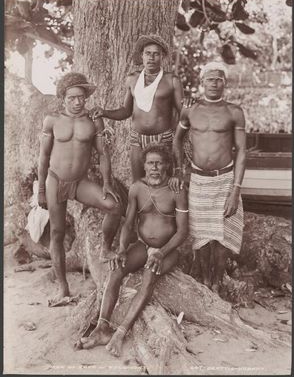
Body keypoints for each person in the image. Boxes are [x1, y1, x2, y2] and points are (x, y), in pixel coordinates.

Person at [78, 144, 188, 356]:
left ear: (166, 166)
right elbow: (128, 224)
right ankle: (102, 328)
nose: (154, 167)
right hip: (143, 245)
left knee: (149, 275)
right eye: (150, 163)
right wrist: (120, 248)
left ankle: (120, 333)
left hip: (167, 250)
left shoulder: (177, 190)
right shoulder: (137, 188)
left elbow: (182, 232)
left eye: (159, 163)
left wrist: (161, 253)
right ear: (144, 166)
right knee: (116, 270)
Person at [38, 72, 122, 305]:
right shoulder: (52, 120)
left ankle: (105, 249)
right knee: (57, 233)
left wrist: (106, 183)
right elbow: (43, 156)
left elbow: (103, 154)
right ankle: (63, 288)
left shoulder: (94, 120)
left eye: (81, 98)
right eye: (72, 98)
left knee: (113, 206)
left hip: (80, 182)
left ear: (86, 98)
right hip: (55, 180)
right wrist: (41, 189)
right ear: (63, 98)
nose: (77, 102)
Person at [171, 61, 246, 293]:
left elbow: (242, 151)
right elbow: (177, 140)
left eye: (219, 79)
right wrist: (179, 170)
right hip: (199, 180)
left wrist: (236, 190)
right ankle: (204, 281)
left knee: (222, 235)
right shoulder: (190, 109)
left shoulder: (234, 111)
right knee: (202, 235)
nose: (214, 83)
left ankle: (217, 281)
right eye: (210, 79)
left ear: (225, 82)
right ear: (201, 83)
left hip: (225, 180)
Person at [90, 34, 183, 182]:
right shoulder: (132, 79)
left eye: (156, 54)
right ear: (142, 56)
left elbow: (183, 114)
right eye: (147, 53)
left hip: (163, 139)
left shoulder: (171, 80)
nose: (151, 58)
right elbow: (126, 111)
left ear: (162, 57)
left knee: (164, 183)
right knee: (138, 183)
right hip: (137, 139)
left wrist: (180, 138)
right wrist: (104, 112)